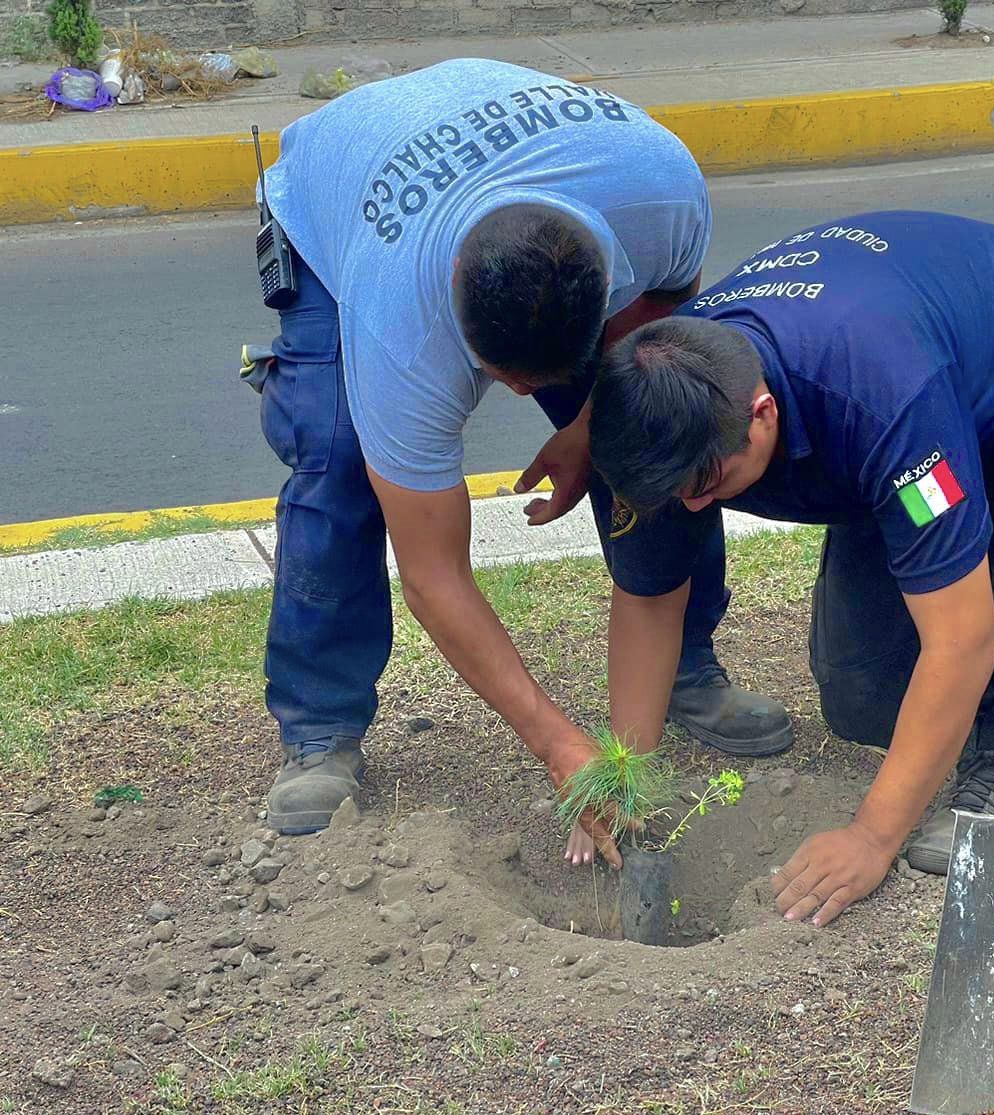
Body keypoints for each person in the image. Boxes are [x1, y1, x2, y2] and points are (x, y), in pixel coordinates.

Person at [254, 59, 792, 839]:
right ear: (455, 304)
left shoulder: (662, 196)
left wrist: (588, 427)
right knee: (338, 458)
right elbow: (433, 573)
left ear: (606, 282)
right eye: (499, 376)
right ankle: (319, 730)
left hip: (548, 152)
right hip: (338, 190)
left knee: (654, 418)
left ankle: (684, 663)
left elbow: (670, 319)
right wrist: (557, 744)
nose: (513, 398)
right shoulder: (400, 321)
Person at [582, 210, 994, 924]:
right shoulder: (659, 414)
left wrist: (872, 836)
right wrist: (624, 780)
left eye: (705, 488)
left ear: (763, 413)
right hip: (922, 404)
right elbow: (648, 601)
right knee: (868, 704)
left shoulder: (877, 391)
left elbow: (961, 643)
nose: (688, 503)